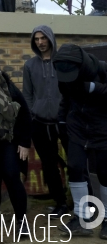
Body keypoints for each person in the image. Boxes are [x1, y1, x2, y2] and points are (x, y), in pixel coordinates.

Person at [53, 44, 107, 237]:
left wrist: (94, 88)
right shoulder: (63, 73)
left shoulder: (102, 69)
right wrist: (61, 119)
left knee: (104, 172)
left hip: (101, 128)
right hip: (76, 128)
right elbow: (66, 99)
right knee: (75, 168)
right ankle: (82, 218)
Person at [22, 25, 69, 217]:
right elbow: (27, 95)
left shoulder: (63, 62)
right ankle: (61, 203)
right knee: (49, 165)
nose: (40, 42)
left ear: (50, 38)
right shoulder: (30, 65)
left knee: (75, 163)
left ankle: (86, 202)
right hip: (40, 123)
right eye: (36, 39)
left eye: (43, 38)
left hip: (64, 122)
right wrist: (33, 112)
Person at [0, 69, 31, 232]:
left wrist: (25, 142)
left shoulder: (6, 85)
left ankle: (21, 221)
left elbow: (24, 112)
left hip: (10, 141)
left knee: (12, 177)